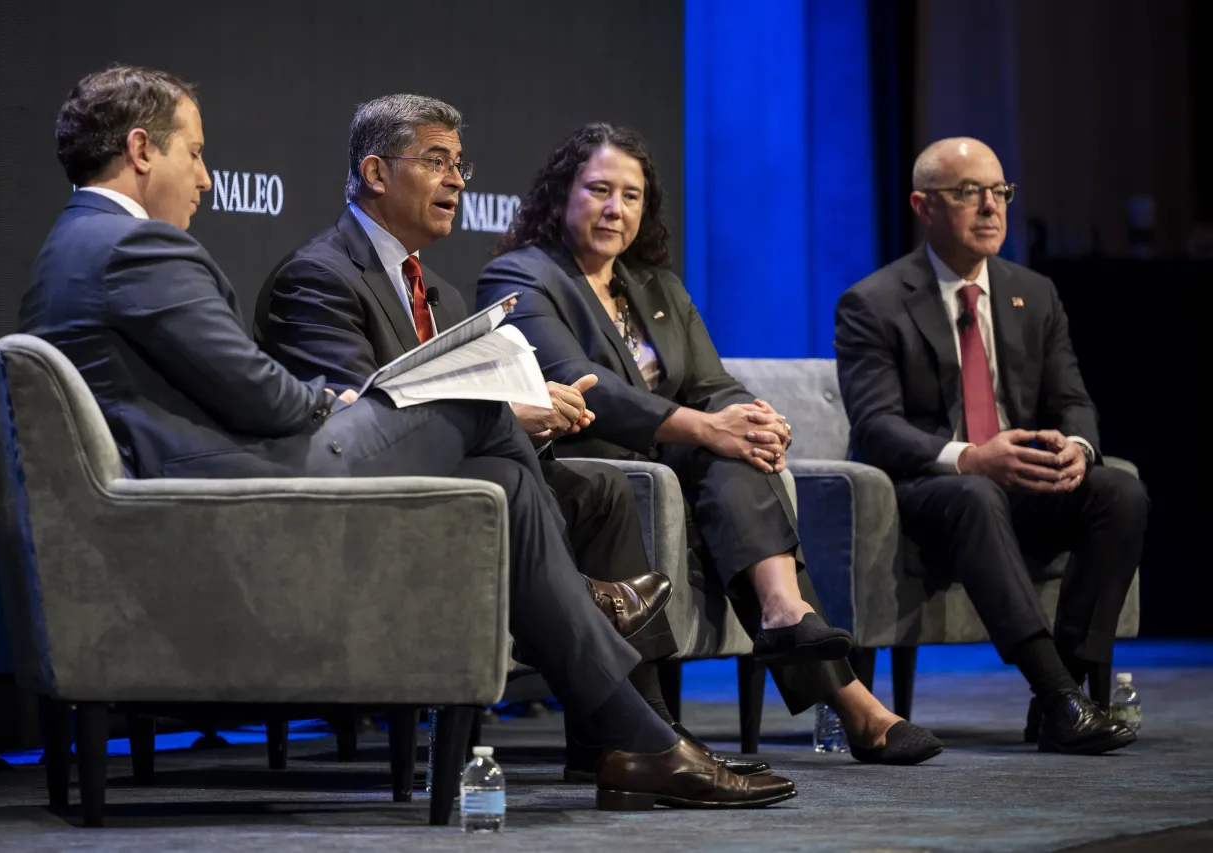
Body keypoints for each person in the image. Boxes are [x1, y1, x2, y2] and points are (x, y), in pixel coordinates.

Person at [17, 65, 796, 809]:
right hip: (246, 484)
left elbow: (225, 385)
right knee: (480, 405)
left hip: (208, 474)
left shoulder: (73, 243)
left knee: (512, 476)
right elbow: (259, 394)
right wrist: (344, 400)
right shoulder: (138, 247)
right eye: (195, 152)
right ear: (141, 149)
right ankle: (630, 714)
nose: (207, 176)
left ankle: (637, 736)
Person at [254, 94, 769, 782]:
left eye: (461, 164)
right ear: (376, 173)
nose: (458, 181)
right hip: (374, 500)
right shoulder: (317, 277)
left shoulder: (439, 291)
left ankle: (620, 736)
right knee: (516, 477)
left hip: (465, 476)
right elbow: (366, 422)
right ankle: (637, 725)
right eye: (437, 162)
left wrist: (531, 415)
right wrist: (508, 406)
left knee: (603, 489)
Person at [477, 122, 942, 765]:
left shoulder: (655, 287)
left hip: (673, 462)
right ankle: (847, 695)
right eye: (599, 190)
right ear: (561, 195)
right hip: (596, 459)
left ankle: (787, 616)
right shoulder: (522, 276)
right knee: (718, 447)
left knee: (735, 452)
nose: (616, 208)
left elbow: (712, 383)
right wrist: (707, 427)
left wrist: (748, 419)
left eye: (632, 196)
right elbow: (583, 389)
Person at [832, 137, 1146, 755]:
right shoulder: (872, 302)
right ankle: (1056, 692)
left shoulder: (1035, 293)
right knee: (975, 493)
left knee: (1120, 491)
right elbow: (876, 427)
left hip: (1020, 485)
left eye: (999, 191)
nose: (990, 207)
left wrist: (1077, 447)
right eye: (968, 193)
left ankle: (1068, 690)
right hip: (928, 494)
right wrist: (970, 456)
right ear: (924, 206)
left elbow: (1073, 399)